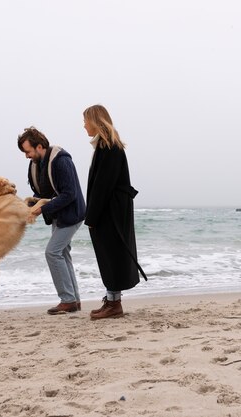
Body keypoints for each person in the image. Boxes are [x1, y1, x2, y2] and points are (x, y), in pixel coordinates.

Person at [83, 105, 147, 320]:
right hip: (110, 211)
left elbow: (103, 186)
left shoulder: (109, 147)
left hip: (110, 212)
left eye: (86, 121)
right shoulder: (105, 146)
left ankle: (114, 304)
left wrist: (91, 217)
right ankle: (111, 301)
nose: (84, 126)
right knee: (109, 255)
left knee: (111, 255)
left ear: (95, 121)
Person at [17, 126, 86, 315]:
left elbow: (69, 194)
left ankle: (67, 300)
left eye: (28, 151)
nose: (26, 156)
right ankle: (74, 301)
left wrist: (41, 209)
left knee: (52, 253)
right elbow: (42, 193)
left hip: (72, 214)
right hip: (58, 214)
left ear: (40, 146)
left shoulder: (61, 161)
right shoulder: (36, 164)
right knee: (62, 254)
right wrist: (28, 203)